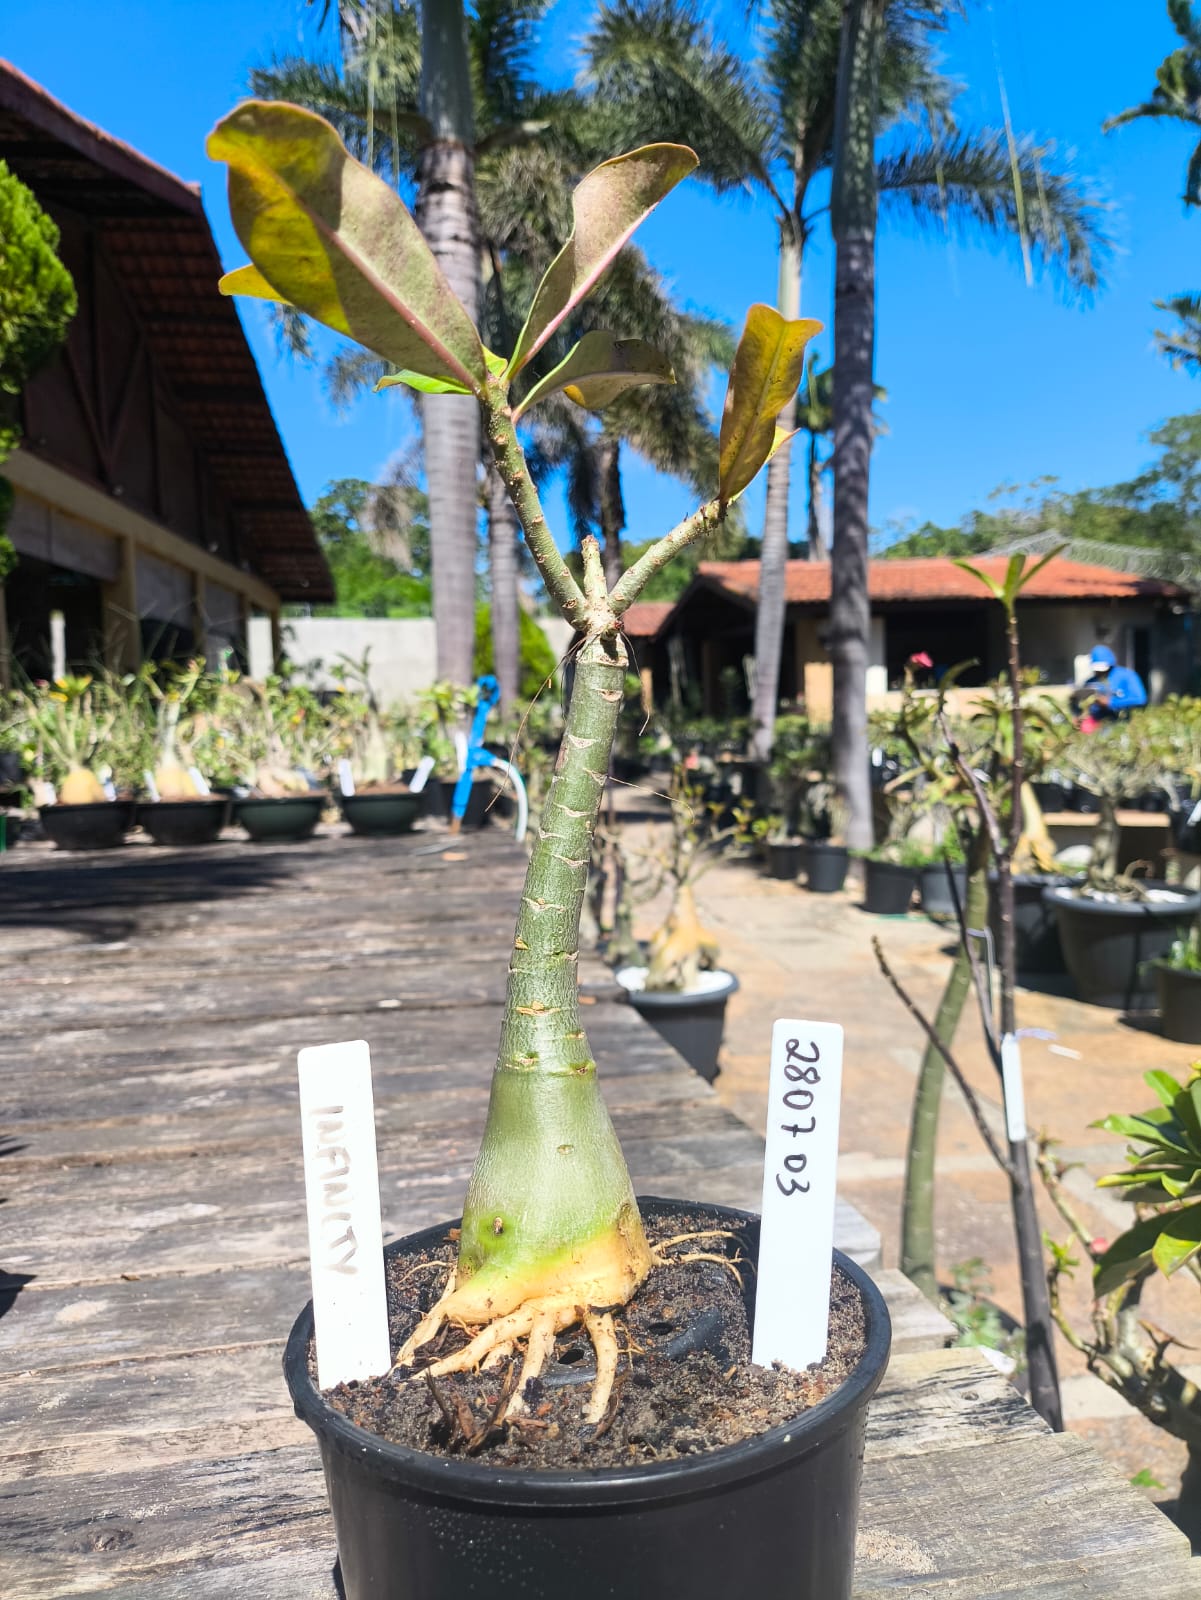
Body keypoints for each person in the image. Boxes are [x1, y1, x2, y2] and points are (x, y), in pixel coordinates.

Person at [1076, 644, 1147, 723]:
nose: (1100, 672)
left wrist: (1110, 702)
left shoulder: (1128, 676)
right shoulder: (1091, 682)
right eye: (1097, 670)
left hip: (1122, 722)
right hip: (1097, 723)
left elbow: (1140, 699)